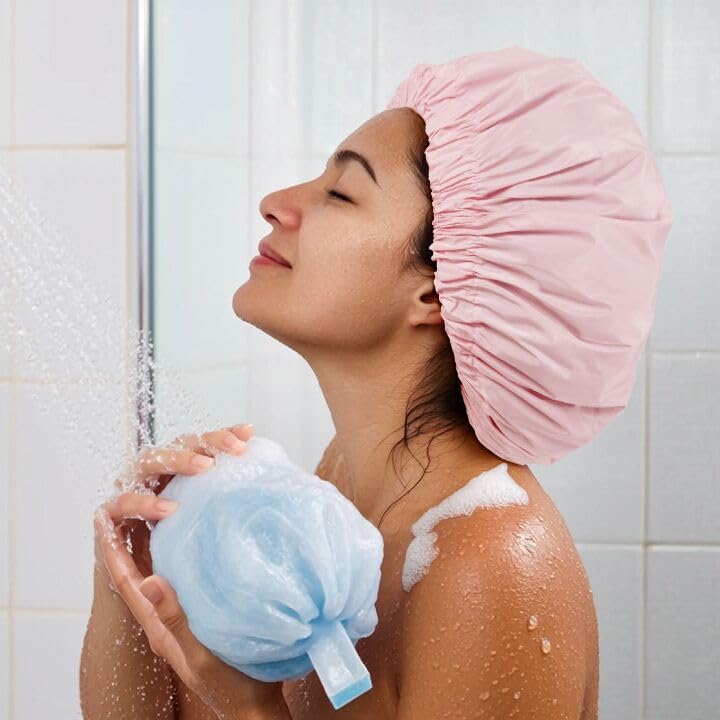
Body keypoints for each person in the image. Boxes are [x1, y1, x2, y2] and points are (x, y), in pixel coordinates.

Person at [83, 46, 673, 719]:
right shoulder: (344, 485)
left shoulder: (490, 566)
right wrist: (131, 566)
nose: (275, 204)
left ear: (438, 290)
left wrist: (251, 711)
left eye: (341, 193)